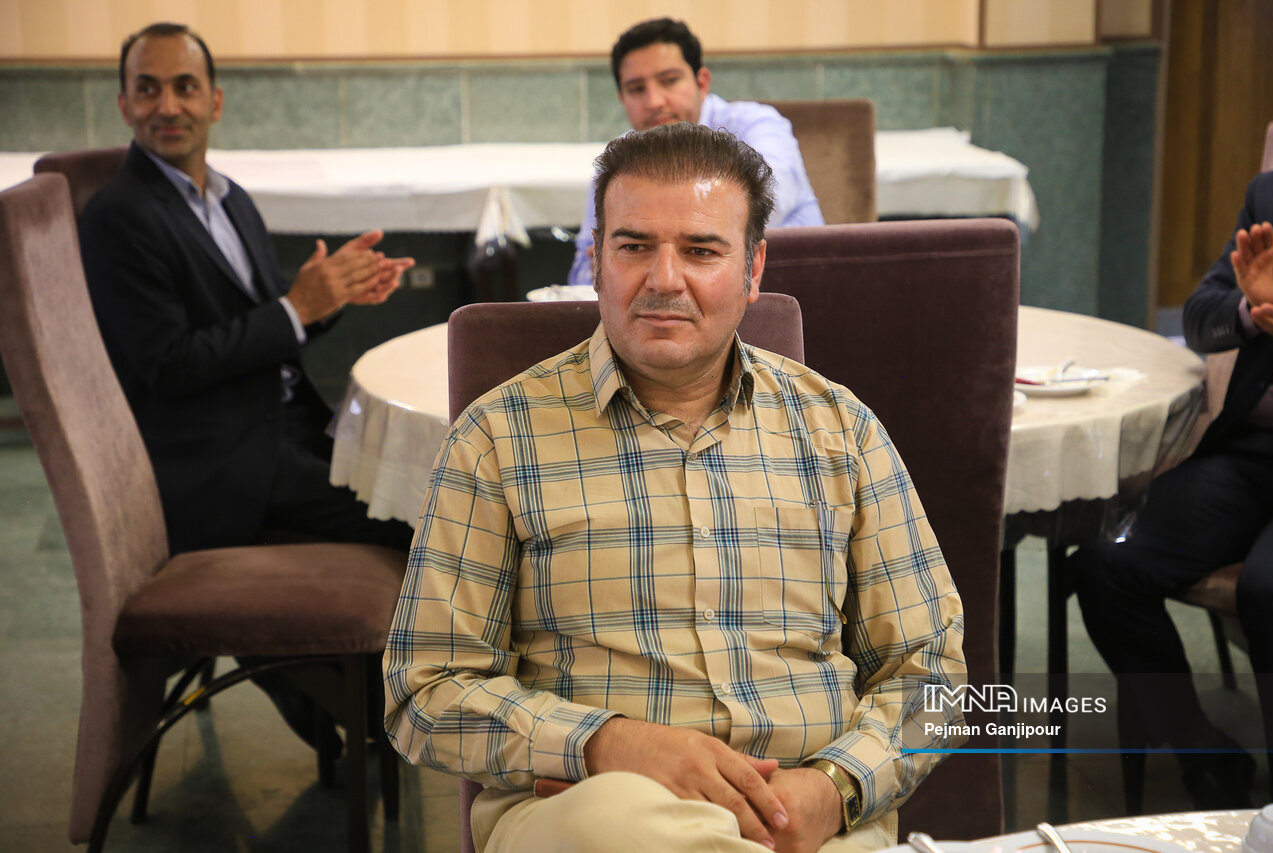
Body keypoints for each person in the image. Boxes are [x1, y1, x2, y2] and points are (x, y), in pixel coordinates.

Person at [384, 123, 965, 853]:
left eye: (700, 250)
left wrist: (835, 788)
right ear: (597, 259)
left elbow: (932, 676)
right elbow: (426, 690)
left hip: (808, 819)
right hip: (595, 813)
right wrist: (606, 744)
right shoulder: (498, 438)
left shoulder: (840, 430)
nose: (663, 278)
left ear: (753, 268)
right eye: (634, 246)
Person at [80, 22, 415, 752]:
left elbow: (261, 328)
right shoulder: (117, 218)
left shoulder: (230, 199)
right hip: (221, 463)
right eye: (148, 89)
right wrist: (297, 309)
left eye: (185, 87)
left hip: (280, 426)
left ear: (216, 101)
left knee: (424, 485)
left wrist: (324, 302)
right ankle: (355, 702)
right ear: (124, 104)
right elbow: (168, 365)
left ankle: (342, 695)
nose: (168, 105)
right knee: (413, 515)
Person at [1070, 168, 1273, 806]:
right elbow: (1199, 317)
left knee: (1268, 589)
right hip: (1255, 454)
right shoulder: (1271, 196)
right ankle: (1202, 750)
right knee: (1105, 565)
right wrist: (1250, 312)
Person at [565, 17, 823, 287]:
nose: (654, 101)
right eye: (637, 89)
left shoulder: (758, 125)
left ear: (702, 82)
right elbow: (583, 268)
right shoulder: (619, 158)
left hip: (796, 293)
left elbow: (765, 205)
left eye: (669, 81)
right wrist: (602, 266)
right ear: (622, 99)